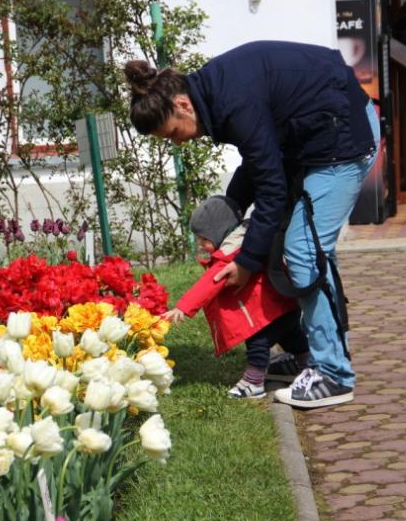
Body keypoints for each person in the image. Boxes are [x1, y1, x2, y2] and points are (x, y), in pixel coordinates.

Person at [124, 40, 380, 408]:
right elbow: (258, 162)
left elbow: (272, 186)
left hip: (344, 135)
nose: (177, 143)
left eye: (172, 133)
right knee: (309, 252)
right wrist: (226, 220)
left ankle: (333, 375)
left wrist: (246, 262)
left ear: (182, 105)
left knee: (304, 252)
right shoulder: (217, 95)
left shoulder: (231, 101)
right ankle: (315, 355)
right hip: (320, 135)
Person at [161, 195, 310, 399]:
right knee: (293, 337)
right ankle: (306, 364)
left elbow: (209, 283)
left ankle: (254, 381)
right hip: (285, 306)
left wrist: (183, 307)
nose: (200, 244)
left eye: (204, 239)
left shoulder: (228, 255)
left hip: (264, 315)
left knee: (257, 343)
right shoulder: (249, 240)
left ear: (219, 232)